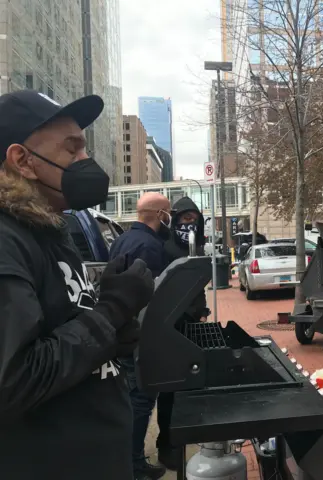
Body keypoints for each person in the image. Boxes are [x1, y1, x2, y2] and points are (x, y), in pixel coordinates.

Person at [0, 90, 154, 479]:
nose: (86, 161)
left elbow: (61, 334)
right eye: (72, 150)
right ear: (22, 161)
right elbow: (13, 381)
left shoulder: (51, 229)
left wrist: (112, 335)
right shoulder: (6, 240)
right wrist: (110, 313)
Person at [109, 192, 172, 480]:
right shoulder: (149, 246)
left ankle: (128, 460)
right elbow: (152, 298)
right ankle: (134, 465)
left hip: (121, 330)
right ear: (160, 214)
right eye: (168, 212)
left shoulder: (122, 239)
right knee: (142, 400)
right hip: (140, 334)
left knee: (130, 398)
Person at [156, 196, 209, 469]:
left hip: (191, 323)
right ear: (175, 220)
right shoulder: (167, 249)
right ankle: (168, 444)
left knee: (190, 381)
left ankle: (184, 438)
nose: (189, 223)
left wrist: (202, 311)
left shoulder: (195, 247)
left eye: (193, 219)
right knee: (171, 387)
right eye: (184, 219)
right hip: (170, 324)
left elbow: (198, 287)